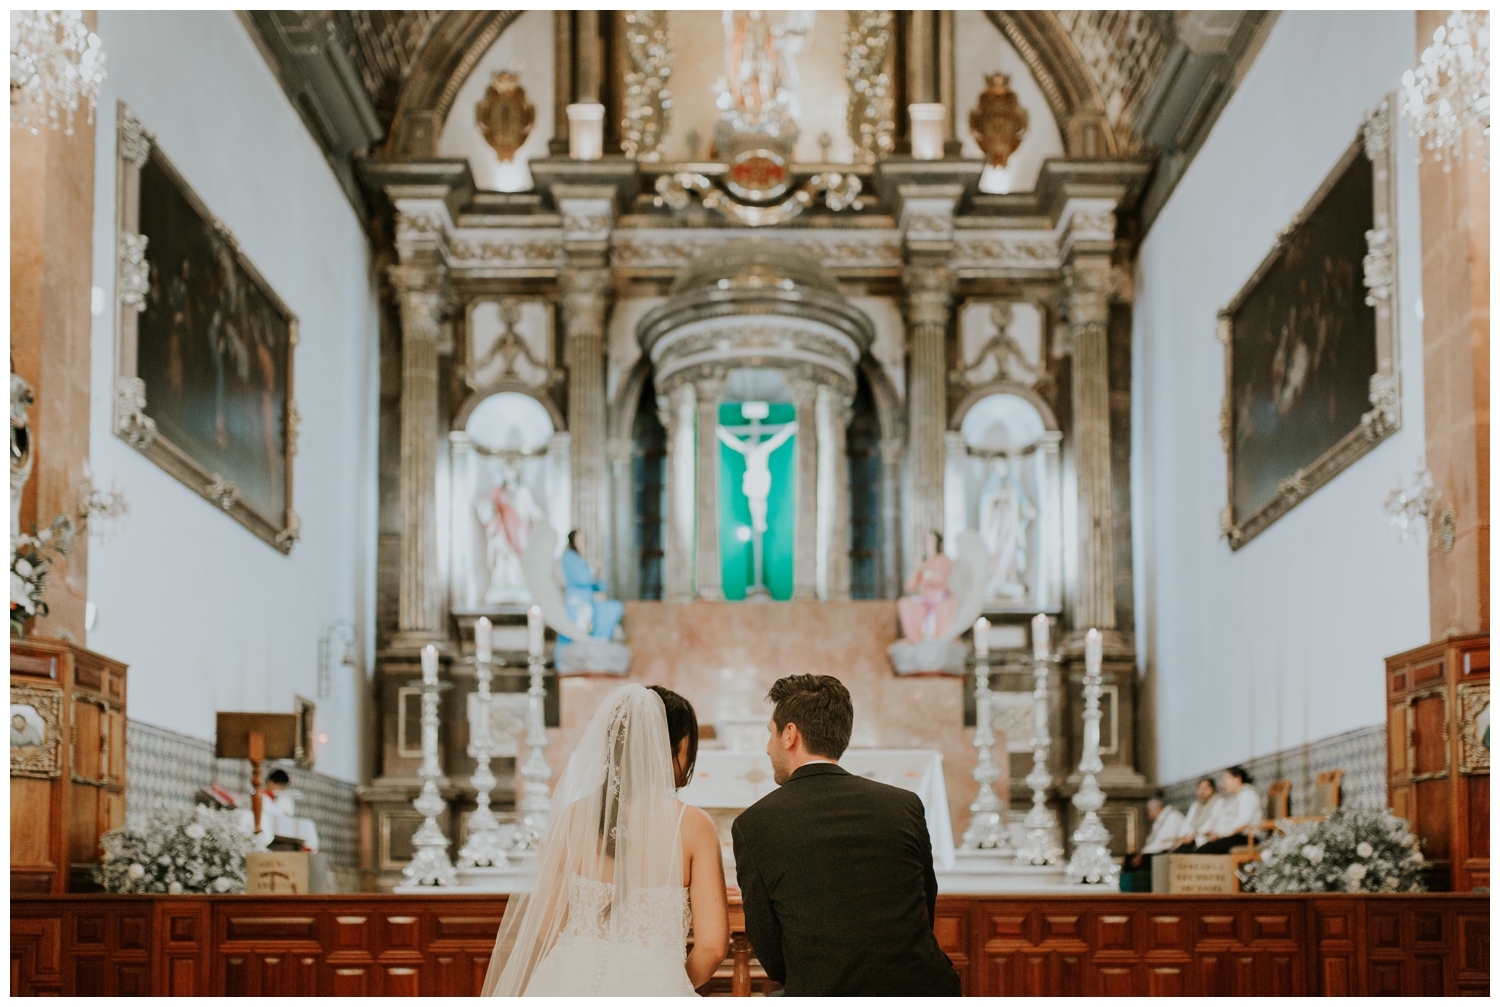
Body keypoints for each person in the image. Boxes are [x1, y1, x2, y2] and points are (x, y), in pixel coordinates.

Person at [481, 684, 728, 996]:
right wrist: (669, 988)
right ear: (672, 747)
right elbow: (713, 947)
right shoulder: (693, 825)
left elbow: (547, 926)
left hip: (567, 982)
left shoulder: (570, 818)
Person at [731, 675, 961, 996]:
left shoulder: (754, 823)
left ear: (789, 735)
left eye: (770, 734)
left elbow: (769, 948)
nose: (768, 748)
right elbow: (925, 904)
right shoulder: (903, 804)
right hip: (923, 988)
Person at [558, 530, 623, 642]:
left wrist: (600, 584)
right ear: (573, 540)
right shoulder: (569, 558)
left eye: (584, 538)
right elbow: (582, 578)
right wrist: (594, 567)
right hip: (577, 604)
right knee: (580, 633)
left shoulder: (581, 559)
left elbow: (592, 583)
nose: (583, 541)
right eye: (579, 538)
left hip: (587, 603)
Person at [896, 531, 957, 641]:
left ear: (938, 543)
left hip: (941, 601)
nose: (928, 543)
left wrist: (924, 569)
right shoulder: (924, 563)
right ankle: (915, 640)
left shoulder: (945, 561)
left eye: (931, 541)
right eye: (926, 541)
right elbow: (909, 587)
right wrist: (916, 570)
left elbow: (938, 581)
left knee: (946, 606)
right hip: (924, 601)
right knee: (904, 603)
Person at [1192, 766, 1263, 854]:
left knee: (1204, 851)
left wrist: (1221, 834)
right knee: (1203, 849)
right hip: (1236, 836)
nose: (1223, 784)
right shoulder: (1236, 796)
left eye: (1226, 780)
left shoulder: (1247, 794)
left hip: (1248, 838)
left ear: (1238, 779)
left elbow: (1243, 822)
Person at [1125, 792, 1187, 871]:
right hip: (1158, 849)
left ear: (1158, 808)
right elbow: (1152, 840)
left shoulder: (1173, 817)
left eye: (1150, 810)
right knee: (1130, 857)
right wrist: (1141, 852)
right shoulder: (1159, 821)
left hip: (1168, 850)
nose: (1149, 814)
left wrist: (1143, 854)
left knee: (1146, 858)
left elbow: (1164, 842)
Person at [1173, 777, 1221, 850]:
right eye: (1200, 789)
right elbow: (1187, 822)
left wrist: (1195, 834)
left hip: (1206, 837)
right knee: (1177, 854)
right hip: (1191, 838)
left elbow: (1212, 821)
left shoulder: (1218, 802)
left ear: (1213, 789)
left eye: (1205, 789)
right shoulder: (1195, 805)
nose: (1202, 792)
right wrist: (1185, 835)